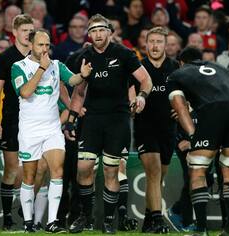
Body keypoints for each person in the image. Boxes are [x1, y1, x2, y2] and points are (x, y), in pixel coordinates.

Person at [64, 14, 152, 234]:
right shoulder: (84, 57)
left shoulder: (124, 54)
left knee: (111, 170)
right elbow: (79, 91)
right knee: (83, 168)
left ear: (109, 32)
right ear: (89, 34)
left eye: (101, 30)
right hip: (92, 119)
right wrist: (71, 120)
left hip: (118, 119)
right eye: (93, 30)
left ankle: (108, 221)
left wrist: (141, 97)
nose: (97, 34)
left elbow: (145, 79)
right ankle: (86, 216)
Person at [11, 28, 91, 233]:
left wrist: (82, 75)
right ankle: (28, 222)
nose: (45, 49)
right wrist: (40, 69)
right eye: (40, 45)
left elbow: (71, 80)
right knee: (30, 176)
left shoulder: (56, 65)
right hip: (30, 129)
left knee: (57, 171)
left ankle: (52, 221)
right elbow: (25, 92)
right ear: (31, 45)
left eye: (47, 45)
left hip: (52, 128)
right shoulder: (18, 66)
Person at [167, 46, 229, 236]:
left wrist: (193, 136)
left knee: (197, 170)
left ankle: (201, 230)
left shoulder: (177, 74)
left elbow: (180, 110)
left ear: (181, 62)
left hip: (213, 112)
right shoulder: (219, 68)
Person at [0, 14, 34, 231]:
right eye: (24, 30)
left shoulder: (41, 56)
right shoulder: (5, 58)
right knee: (11, 169)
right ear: (15, 32)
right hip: (12, 118)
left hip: (36, 120)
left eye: (31, 30)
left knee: (40, 166)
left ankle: (24, 209)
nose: (28, 34)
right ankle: (8, 217)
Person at [133, 26, 179, 234]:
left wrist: (184, 109)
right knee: (153, 171)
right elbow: (129, 94)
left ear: (166, 45)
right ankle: (158, 221)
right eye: (151, 41)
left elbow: (187, 96)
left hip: (168, 129)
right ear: (146, 44)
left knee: (158, 178)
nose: (154, 45)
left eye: (159, 42)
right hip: (145, 127)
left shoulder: (176, 68)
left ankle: (149, 220)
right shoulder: (138, 69)